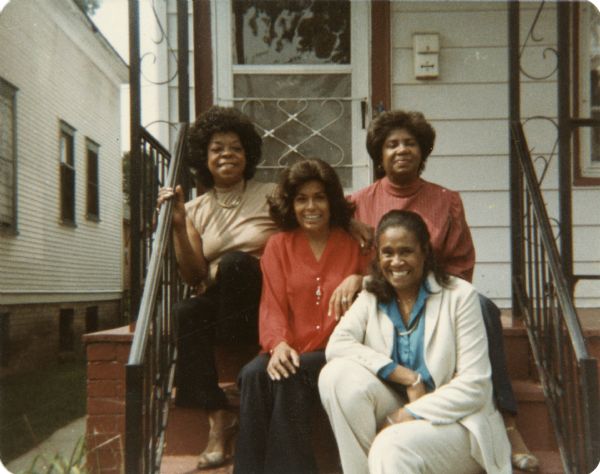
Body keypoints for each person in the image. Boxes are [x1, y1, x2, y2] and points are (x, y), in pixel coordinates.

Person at [344, 109, 538, 471]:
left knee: (481, 306)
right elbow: (349, 261)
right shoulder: (357, 203)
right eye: (392, 144)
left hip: (436, 294)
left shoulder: (446, 199)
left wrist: (430, 294)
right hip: (381, 299)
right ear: (379, 154)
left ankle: (507, 423)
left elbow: (461, 264)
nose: (401, 150)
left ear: (423, 151)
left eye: (410, 143)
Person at [319, 210, 511, 474]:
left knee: (390, 445)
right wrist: (405, 376)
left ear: (424, 253)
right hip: (398, 401)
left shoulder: (460, 297)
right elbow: (338, 345)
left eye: (406, 252)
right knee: (336, 375)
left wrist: (406, 415)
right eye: (388, 252)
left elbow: (475, 386)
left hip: (456, 423)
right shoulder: (373, 294)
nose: (396, 262)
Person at [156, 106, 278, 469]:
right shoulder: (194, 208)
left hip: (263, 299)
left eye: (235, 147)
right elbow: (194, 275)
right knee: (186, 310)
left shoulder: (272, 194)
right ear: (203, 158)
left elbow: (313, 215)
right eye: (217, 148)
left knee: (236, 262)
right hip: (222, 304)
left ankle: (235, 350)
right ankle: (217, 420)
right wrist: (178, 223)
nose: (227, 154)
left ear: (248, 155)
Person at [233, 158, 371, 474]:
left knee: (289, 373)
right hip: (291, 347)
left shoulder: (355, 243)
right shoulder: (279, 245)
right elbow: (272, 303)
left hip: (336, 351)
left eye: (319, 197)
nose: (311, 206)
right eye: (301, 199)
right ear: (291, 204)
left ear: (332, 201)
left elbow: (383, 283)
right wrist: (278, 344)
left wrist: (361, 279)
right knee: (254, 374)